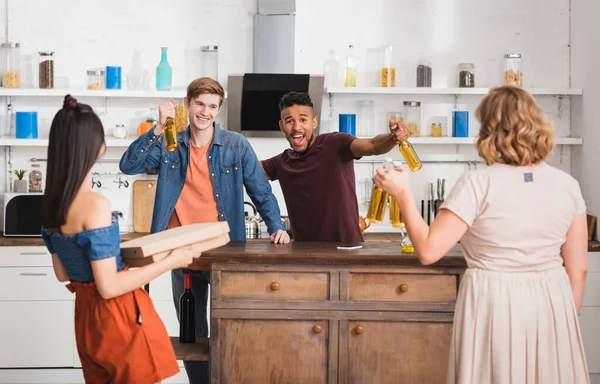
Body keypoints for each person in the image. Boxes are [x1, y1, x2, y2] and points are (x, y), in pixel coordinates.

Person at [374, 85, 589, 384]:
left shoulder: (477, 184)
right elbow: (578, 268)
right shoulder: (567, 185)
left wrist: (403, 193)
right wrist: (564, 317)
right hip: (552, 301)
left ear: (489, 130)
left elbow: (428, 250)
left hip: (494, 301)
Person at [119, 77, 289, 383]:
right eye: (200, 104)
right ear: (188, 103)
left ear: (219, 109)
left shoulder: (236, 146)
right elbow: (129, 165)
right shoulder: (171, 145)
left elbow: (261, 192)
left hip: (225, 255)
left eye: (212, 106)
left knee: (231, 331)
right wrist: (158, 128)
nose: (205, 112)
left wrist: (277, 227)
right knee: (192, 338)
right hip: (181, 256)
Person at [41, 95, 191, 384]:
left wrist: (111, 253)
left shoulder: (51, 205)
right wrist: (172, 260)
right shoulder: (95, 204)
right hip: (118, 320)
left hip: (86, 320)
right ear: (95, 148)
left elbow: (63, 273)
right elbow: (109, 287)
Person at [260, 91, 409, 242]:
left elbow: (373, 145)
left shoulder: (335, 143)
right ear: (282, 126)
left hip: (348, 250)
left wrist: (392, 138)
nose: (297, 127)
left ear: (314, 122)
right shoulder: (281, 162)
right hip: (304, 255)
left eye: (303, 120)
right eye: (289, 121)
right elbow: (248, 168)